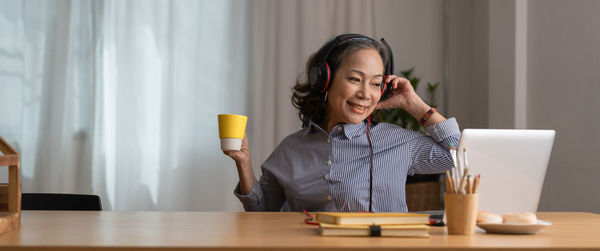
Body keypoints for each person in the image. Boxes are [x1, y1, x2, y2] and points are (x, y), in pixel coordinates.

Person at [224, 34, 460, 212]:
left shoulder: (398, 141)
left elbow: (462, 159)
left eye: (376, 84)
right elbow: (261, 211)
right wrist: (243, 163)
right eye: (355, 79)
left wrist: (415, 105)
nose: (366, 94)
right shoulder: (290, 150)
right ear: (324, 80)